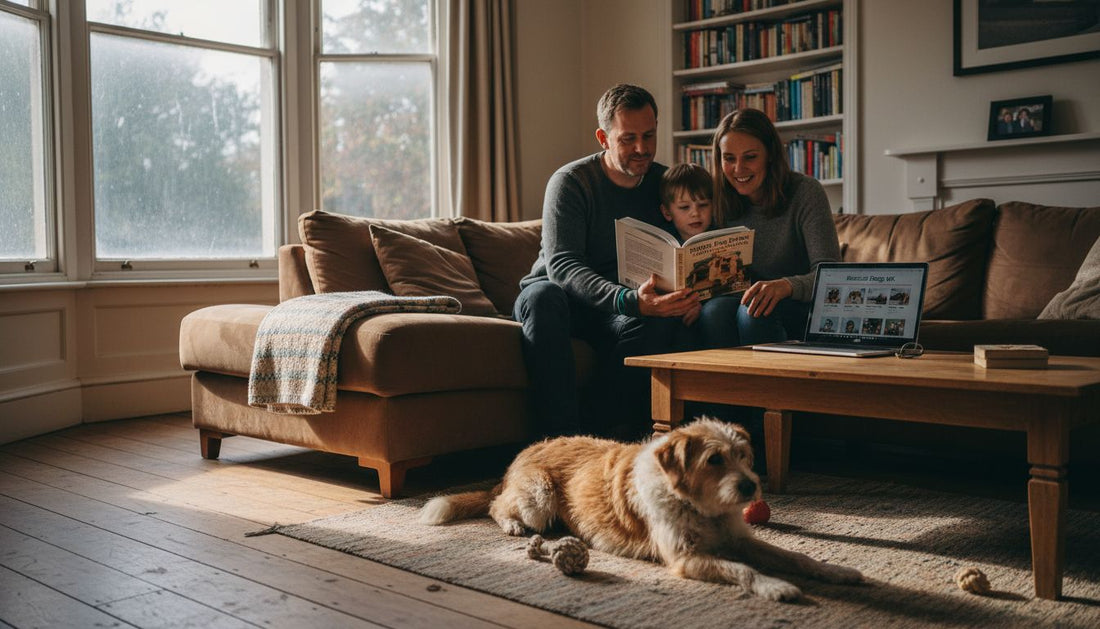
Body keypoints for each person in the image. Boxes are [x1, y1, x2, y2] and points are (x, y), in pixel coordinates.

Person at [513, 84, 699, 439]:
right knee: (543, 298)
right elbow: (563, 266)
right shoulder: (570, 183)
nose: (642, 148)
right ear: (603, 137)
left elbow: (693, 244)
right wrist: (628, 301)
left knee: (659, 324)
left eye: (649, 135)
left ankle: (605, 435)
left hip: (622, 308)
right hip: (563, 300)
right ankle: (559, 443)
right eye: (628, 139)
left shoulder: (665, 182)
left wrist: (693, 296)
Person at [696, 108, 842, 349]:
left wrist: (785, 285)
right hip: (741, 303)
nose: (738, 169)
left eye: (750, 157)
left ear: (771, 155)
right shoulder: (717, 199)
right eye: (729, 158)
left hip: (798, 305)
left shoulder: (805, 192)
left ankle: (766, 387)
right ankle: (723, 387)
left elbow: (832, 276)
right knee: (714, 312)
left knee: (752, 313)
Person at [659, 162, 715, 242]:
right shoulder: (664, 241)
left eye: (703, 205)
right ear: (667, 212)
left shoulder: (723, 235)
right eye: (684, 207)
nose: (695, 213)